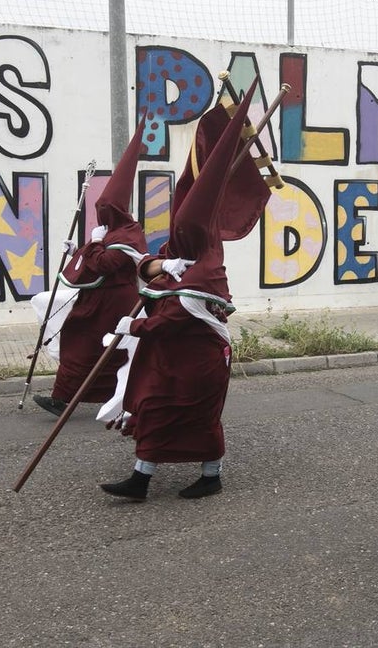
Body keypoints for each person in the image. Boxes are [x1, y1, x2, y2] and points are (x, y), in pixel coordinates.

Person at [99, 84, 268, 502]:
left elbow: (175, 314)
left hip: (200, 360)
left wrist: (134, 326)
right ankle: (141, 478)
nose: (179, 237)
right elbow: (147, 266)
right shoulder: (182, 255)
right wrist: (162, 266)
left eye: (185, 231)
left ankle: (212, 475)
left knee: (197, 416)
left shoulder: (209, 268)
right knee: (155, 409)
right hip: (168, 357)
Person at [31, 122, 148, 417]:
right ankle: (75, 398)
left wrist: (93, 246)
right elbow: (94, 257)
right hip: (99, 302)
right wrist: (77, 251)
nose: (100, 215)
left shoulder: (129, 233)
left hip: (114, 304)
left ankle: (110, 398)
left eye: (104, 210)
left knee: (97, 351)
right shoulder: (114, 232)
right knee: (87, 348)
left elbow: (107, 263)